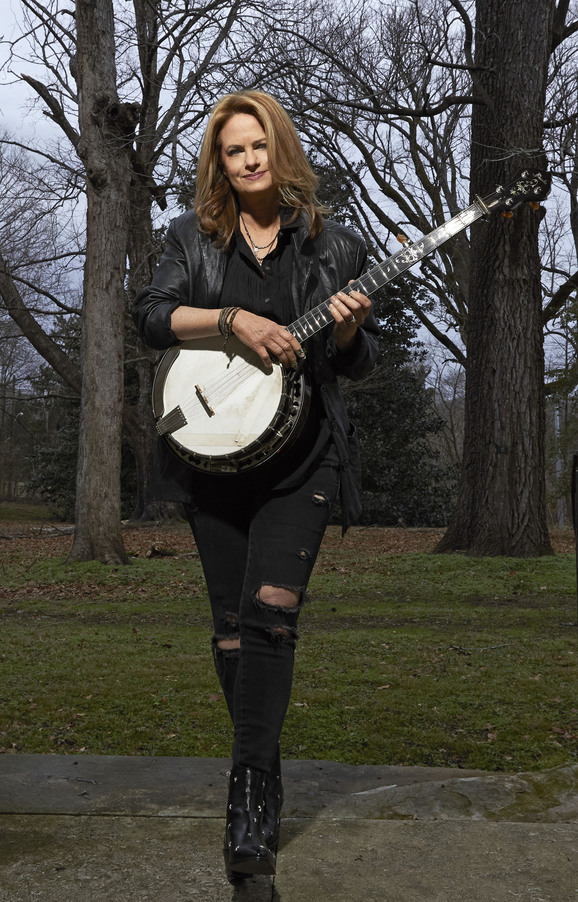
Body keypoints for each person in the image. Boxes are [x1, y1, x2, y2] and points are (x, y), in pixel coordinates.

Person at [133, 90, 380, 882]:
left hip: (303, 464)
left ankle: (247, 805)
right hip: (210, 461)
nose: (249, 159)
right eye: (234, 150)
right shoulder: (191, 238)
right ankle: (263, 769)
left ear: (281, 149)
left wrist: (343, 330)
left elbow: (356, 362)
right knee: (234, 628)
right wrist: (233, 319)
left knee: (272, 619)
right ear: (221, 162)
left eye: (260, 144)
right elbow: (150, 314)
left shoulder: (332, 245)